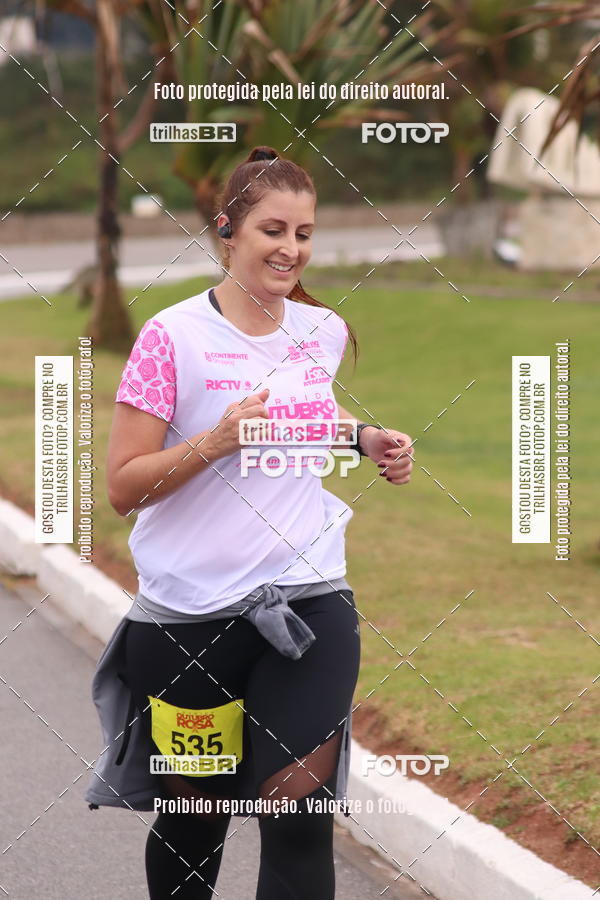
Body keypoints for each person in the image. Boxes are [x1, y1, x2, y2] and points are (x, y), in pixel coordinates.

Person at [98, 145, 413, 899]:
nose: (290, 249)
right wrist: (217, 440)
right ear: (227, 231)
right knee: (195, 821)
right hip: (186, 617)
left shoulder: (322, 332)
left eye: (303, 233)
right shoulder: (170, 339)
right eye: (273, 230)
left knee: (299, 819)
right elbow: (121, 487)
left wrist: (362, 438)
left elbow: (308, 414)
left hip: (305, 601)